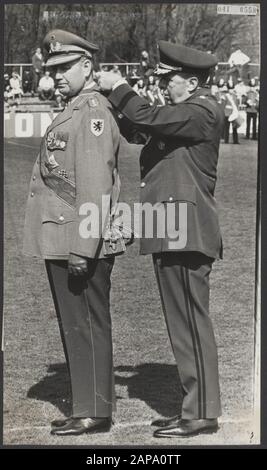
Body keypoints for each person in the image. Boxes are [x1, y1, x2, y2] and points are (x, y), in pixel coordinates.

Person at [98, 41, 224, 438]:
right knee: (181, 324)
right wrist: (111, 103)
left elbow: (148, 115)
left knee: (190, 322)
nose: (165, 85)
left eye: (169, 80)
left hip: (185, 230)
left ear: (190, 81)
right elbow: (141, 126)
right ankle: (194, 407)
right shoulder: (185, 112)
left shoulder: (203, 109)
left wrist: (120, 87)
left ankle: (202, 411)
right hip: (171, 228)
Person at [23, 29, 124, 436]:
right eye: (53, 69)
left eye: (65, 67)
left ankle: (95, 410)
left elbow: (96, 184)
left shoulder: (93, 113)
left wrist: (84, 247)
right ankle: (87, 403)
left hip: (80, 240)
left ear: (87, 66)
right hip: (65, 237)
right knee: (75, 324)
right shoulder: (75, 109)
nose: (57, 75)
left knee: (86, 323)